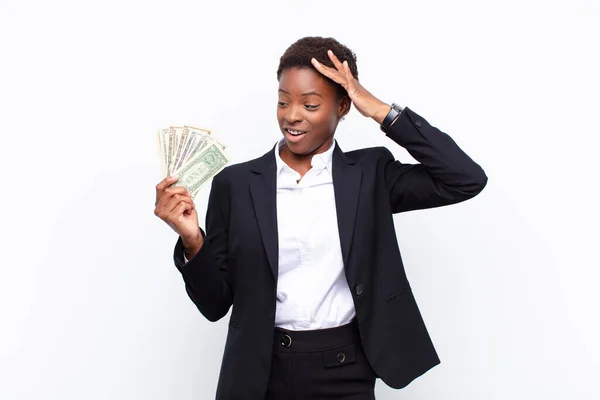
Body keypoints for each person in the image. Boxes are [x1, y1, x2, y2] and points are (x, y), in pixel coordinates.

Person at [154, 36, 487, 399]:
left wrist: (379, 109)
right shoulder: (236, 185)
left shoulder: (370, 175)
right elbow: (215, 304)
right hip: (259, 373)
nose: (292, 115)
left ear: (342, 105)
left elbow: (465, 178)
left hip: (345, 369)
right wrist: (192, 240)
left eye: (310, 104)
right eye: (283, 102)